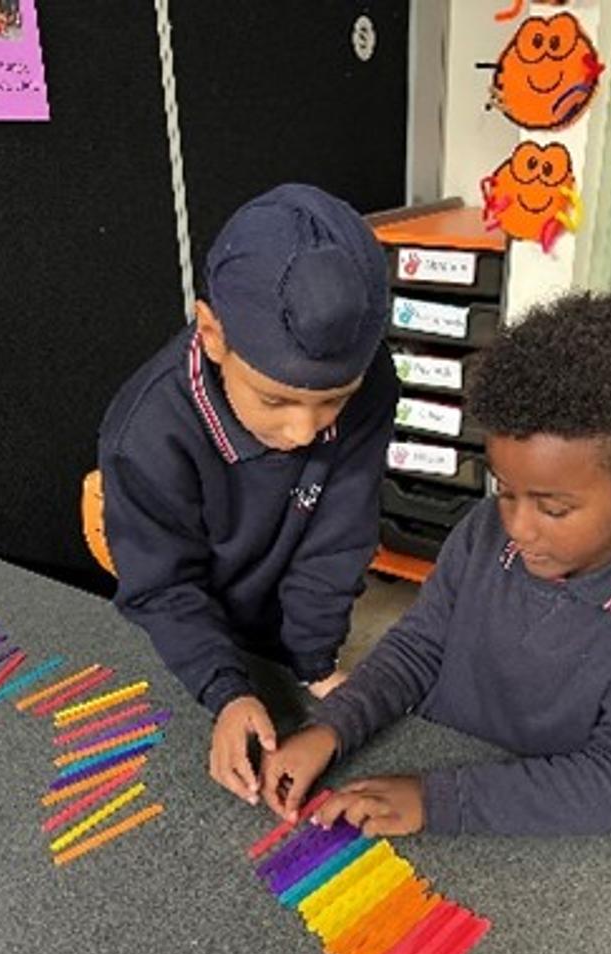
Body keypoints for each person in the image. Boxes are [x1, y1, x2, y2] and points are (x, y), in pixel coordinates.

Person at [260, 290, 611, 838]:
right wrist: (332, 728)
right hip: (428, 756)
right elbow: (417, 649)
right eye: (505, 491)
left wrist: (437, 801)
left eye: (553, 509)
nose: (519, 527)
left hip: (527, 822)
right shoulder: (484, 529)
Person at [99, 183, 397, 804]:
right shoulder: (144, 433)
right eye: (275, 399)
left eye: (333, 401)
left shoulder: (371, 383)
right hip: (188, 630)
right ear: (212, 334)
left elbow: (339, 535)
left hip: (285, 628)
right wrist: (225, 689)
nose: (305, 431)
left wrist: (314, 662)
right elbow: (162, 586)